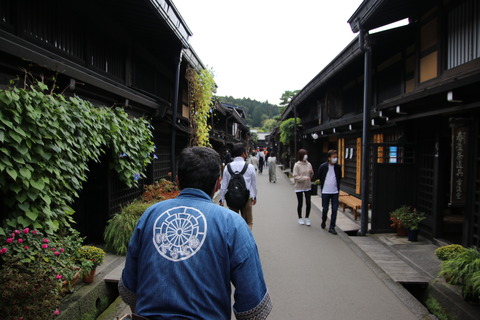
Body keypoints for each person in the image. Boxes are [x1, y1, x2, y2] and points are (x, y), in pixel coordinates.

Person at [119, 147, 272, 320]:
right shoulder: (233, 224)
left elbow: (130, 290)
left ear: (177, 181)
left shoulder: (151, 214)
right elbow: (253, 307)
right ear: (217, 183)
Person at [220, 143, 258, 230]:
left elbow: (224, 185)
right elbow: (254, 185)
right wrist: (254, 196)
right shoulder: (250, 167)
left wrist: (221, 199)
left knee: (233, 223)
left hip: (232, 198)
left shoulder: (227, 167)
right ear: (243, 153)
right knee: (248, 222)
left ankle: (235, 240)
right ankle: (246, 239)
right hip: (246, 198)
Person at [317, 149, 342, 235]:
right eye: (334, 157)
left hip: (335, 191)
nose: (335, 159)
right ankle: (324, 221)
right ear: (329, 158)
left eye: (336, 157)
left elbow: (339, 177)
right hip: (325, 191)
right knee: (325, 209)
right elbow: (319, 176)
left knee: (334, 210)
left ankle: (332, 227)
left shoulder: (338, 167)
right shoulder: (323, 166)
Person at [293, 149, 314, 226]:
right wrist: (304, 178)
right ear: (301, 155)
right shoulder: (297, 165)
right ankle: (300, 217)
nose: (306, 156)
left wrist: (311, 173)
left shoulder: (309, 164)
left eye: (306, 154)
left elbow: (311, 176)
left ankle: (307, 217)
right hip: (299, 187)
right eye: (304, 154)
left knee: (308, 202)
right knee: (300, 203)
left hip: (307, 186)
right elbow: (295, 177)